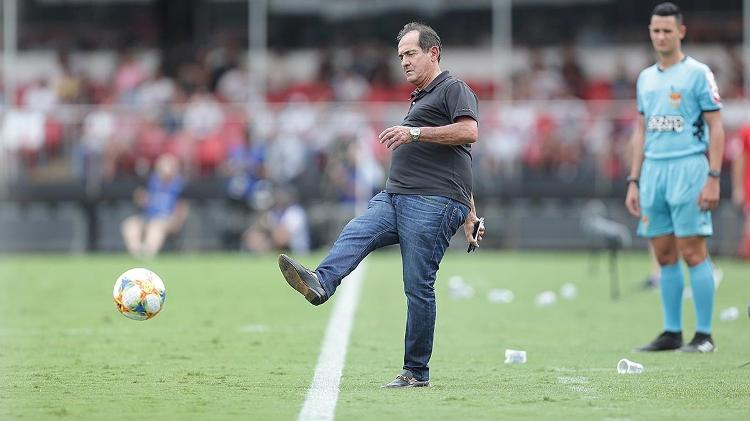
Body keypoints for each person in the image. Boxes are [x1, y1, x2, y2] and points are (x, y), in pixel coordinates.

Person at [276, 22, 485, 387]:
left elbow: (469, 133)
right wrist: (470, 211)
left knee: (417, 284)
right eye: (401, 55)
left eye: (411, 54)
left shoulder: (453, 88)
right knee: (357, 230)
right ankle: (320, 283)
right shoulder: (420, 96)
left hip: (432, 201)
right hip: (397, 197)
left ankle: (416, 372)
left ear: (433, 53)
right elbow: (458, 161)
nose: (403, 62)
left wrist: (414, 132)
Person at [624, 2, 725, 353]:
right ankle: (671, 331)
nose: (661, 36)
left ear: (680, 32)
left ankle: (704, 334)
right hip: (653, 172)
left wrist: (713, 176)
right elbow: (641, 131)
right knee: (664, 252)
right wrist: (634, 180)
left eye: (667, 30)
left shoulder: (699, 73)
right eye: (656, 30)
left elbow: (716, 126)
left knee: (693, 251)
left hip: (689, 169)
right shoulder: (645, 78)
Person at [121, 154, 188, 258]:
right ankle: (137, 253)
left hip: (167, 219)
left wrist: (177, 222)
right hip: (149, 216)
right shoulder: (151, 182)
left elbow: (182, 209)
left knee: (156, 226)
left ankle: (148, 254)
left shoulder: (179, 185)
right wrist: (142, 199)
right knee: (130, 224)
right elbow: (139, 197)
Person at [243, 187, 310, 254]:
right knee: (255, 235)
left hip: (295, 246)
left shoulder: (295, 211)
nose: (280, 200)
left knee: (279, 236)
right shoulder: (274, 212)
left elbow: (285, 235)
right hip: (275, 242)